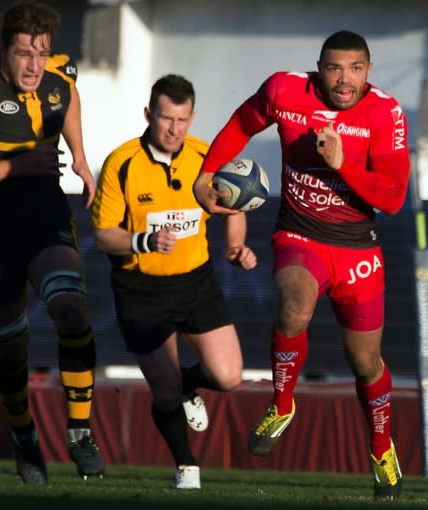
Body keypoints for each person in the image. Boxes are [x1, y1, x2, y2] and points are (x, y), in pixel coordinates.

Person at [193, 30, 411, 499]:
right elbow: (242, 122)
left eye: (355, 69)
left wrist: (341, 165)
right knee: (294, 307)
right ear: (319, 67)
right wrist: (207, 171)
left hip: (357, 250)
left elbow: (393, 197)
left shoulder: (386, 113)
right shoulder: (285, 90)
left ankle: (379, 446)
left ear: (369, 72)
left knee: (365, 362)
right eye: (334, 68)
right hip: (300, 234)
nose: (344, 80)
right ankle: (282, 404)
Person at [0, 2, 105, 485]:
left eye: (41, 53)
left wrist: (81, 157)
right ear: (4, 50)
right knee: (10, 350)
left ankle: (79, 432)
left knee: (72, 310)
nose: (35, 65)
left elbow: (68, 92)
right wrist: (16, 167)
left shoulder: (56, 71)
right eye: (24, 53)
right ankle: (25, 437)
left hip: (45, 219)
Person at [91, 74, 256, 490]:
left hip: (195, 283)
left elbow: (234, 206)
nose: (174, 129)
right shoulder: (121, 162)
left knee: (229, 376)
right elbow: (103, 234)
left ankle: (188, 384)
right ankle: (186, 466)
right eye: (166, 118)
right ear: (149, 114)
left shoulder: (206, 156)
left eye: (182, 120)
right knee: (164, 393)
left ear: (193, 117)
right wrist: (142, 240)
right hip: (140, 289)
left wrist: (236, 249)